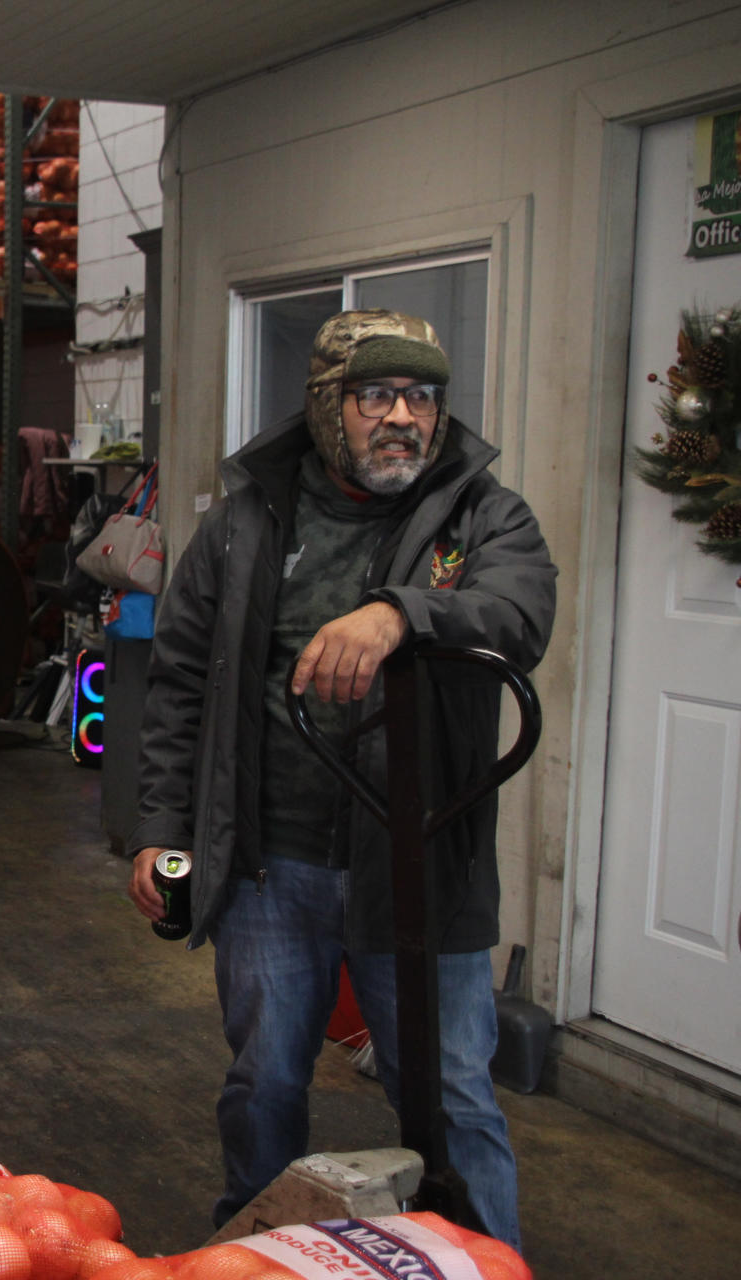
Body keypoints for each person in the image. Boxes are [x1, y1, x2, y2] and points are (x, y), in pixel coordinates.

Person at [126, 310, 555, 1249]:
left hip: (421, 862)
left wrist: (399, 613)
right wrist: (163, 826)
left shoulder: (482, 512)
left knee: (450, 1095)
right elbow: (183, 677)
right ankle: (256, 1255)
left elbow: (517, 611)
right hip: (270, 864)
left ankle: (486, 1263)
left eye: (422, 398)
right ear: (328, 407)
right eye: (378, 396)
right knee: (265, 1082)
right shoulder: (247, 519)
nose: (403, 416)